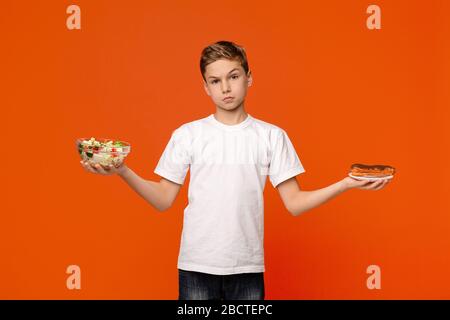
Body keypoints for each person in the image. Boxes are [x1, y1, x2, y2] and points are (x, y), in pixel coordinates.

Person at [80, 40, 391, 300]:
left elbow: (295, 204)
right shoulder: (188, 134)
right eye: (215, 81)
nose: (225, 88)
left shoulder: (272, 136)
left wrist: (346, 184)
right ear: (205, 87)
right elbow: (163, 199)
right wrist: (122, 171)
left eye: (234, 76)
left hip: (247, 268)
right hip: (196, 267)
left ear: (249, 77)